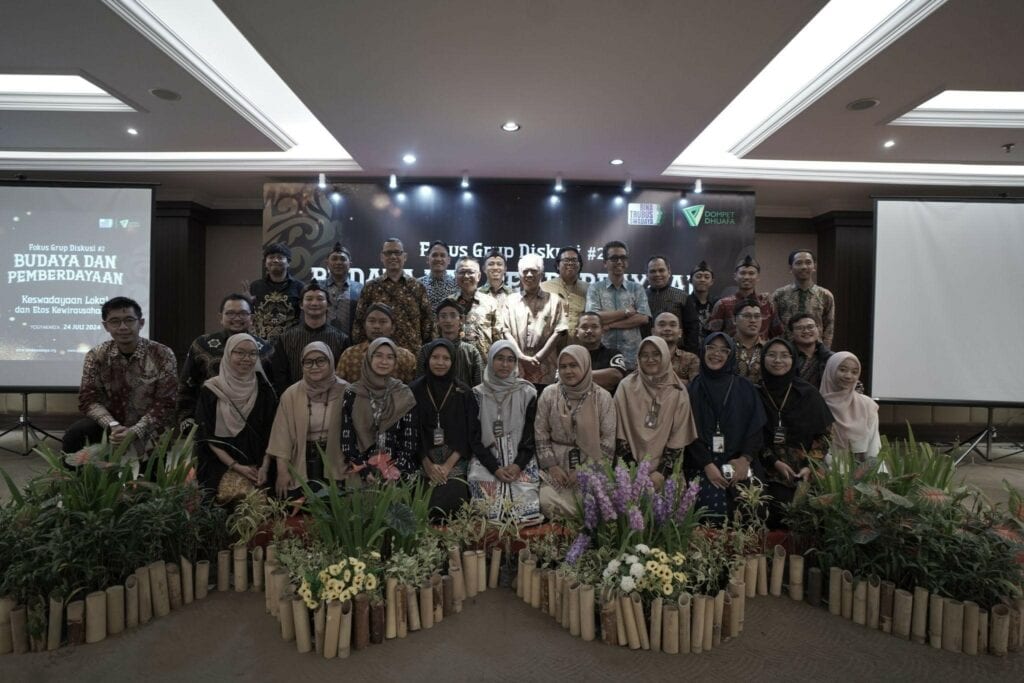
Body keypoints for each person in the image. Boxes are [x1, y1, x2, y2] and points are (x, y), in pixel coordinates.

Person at [63, 296, 177, 457]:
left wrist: (135, 430)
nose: (123, 327)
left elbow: (166, 402)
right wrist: (113, 425)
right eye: (115, 321)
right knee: (75, 435)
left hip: (150, 426)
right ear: (106, 326)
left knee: (148, 479)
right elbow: (88, 399)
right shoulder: (96, 355)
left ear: (141, 323)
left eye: (129, 320)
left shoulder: (162, 354)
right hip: (109, 426)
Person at [685, 333, 766, 522]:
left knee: (752, 509)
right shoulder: (693, 389)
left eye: (724, 350)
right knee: (708, 512)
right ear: (703, 351)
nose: (716, 354)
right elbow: (687, 431)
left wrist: (745, 459)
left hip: (739, 459)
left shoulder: (745, 387)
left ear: (731, 355)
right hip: (703, 462)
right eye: (711, 348)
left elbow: (756, 429)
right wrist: (707, 465)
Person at [756, 338, 834, 528]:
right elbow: (752, 436)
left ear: (793, 360)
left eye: (784, 355)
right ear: (763, 359)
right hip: (765, 464)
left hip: (805, 467)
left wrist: (809, 466)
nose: (778, 360)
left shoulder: (807, 393)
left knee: (814, 510)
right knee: (775, 505)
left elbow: (823, 437)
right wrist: (774, 462)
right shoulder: (754, 392)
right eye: (772, 355)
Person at [410, 339, 487, 520]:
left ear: (453, 361)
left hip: (454, 460)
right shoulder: (414, 390)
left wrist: (447, 466)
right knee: (419, 501)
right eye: (435, 357)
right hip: (422, 458)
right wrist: (427, 465)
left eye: (446, 358)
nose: (440, 362)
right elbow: (411, 431)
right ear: (427, 359)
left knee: (454, 499)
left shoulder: (464, 392)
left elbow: (470, 433)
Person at [536, 345, 616, 518]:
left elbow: (608, 439)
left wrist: (585, 470)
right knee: (546, 502)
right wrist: (552, 466)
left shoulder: (602, 397)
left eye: (574, 365)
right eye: (563, 366)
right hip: (557, 467)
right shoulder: (549, 394)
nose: (568, 371)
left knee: (595, 502)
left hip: (592, 464)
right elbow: (540, 432)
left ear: (585, 366)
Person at [468, 341, 542, 524]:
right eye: (500, 359)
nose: (505, 364)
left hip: (521, 459)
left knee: (525, 510)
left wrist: (518, 465)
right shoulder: (477, 394)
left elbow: (531, 435)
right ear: (491, 360)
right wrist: (495, 468)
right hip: (486, 459)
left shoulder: (528, 392)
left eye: (510, 360)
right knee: (486, 507)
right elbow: (474, 438)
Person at [194, 333, 278, 494]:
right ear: (228, 354)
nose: (247, 358)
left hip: (260, 463)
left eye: (253, 353)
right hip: (220, 462)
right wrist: (236, 466)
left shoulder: (265, 389)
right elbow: (207, 436)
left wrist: (265, 467)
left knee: (265, 507)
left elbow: (273, 433)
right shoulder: (211, 389)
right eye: (239, 352)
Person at [176, 293, 273, 426]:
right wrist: (186, 417)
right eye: (230, 313)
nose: (237, 318)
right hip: (209, 419)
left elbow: (272, 388)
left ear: (252, 318)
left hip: (254, 422)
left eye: (243, 313)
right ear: (220, 317)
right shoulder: (202, 345)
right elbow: (187, 384)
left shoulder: (265, 348)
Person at [267, 342, 348, 497]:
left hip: (338, 461)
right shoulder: (291, 394)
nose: (314, 366)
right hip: (302, 460)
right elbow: (281, 438)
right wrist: (282, 472)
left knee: (335, 509)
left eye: (320, 360)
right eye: (308, 362)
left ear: (331, 362)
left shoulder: (347, 391)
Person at [614, 336, 698, 485]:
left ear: (665, 356)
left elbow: (678, 437)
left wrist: (661, 472)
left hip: (666, 475)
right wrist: (633, 471)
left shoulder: (677, 391)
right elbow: (619, 434)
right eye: (644, 355)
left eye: (656, 354)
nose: (650, 359)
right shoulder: (626, 387)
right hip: (629, 472)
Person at [341, 338, 420, 479]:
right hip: (361, 468)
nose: (384, 362)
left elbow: (410, 440)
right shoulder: (352, 393)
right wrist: (363, 470)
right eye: (378, 356)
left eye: (390, 357)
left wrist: (396, 469)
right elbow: (347, 438)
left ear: (395, 362)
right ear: (369, 358)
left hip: (398, 470)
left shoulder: (403, 393)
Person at [352, 237, 433, 353]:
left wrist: (425, 354)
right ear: (382, 257)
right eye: (388, 253)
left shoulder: (417, 287)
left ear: (404, 257)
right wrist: (363, 352)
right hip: (378, 357)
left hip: (412, 358)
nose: (393, 257)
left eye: (397, 253)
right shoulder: (371, 287)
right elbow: (359, 324)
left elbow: (428, 324)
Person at [270, 282, 350, 396]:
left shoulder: (341, 339)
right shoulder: (285, 338)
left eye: (320, 299)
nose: (314, 303)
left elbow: (343, 375)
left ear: (328, 304)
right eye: (309, 299)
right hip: (295, 399)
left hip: (331, 400)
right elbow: (280, 376)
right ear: (301, 305)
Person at [503, 253, 568, 388]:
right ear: (519, 274)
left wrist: (537, 359)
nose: (529, 275)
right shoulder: (510, 301)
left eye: (534, 271)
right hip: (516, 371)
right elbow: (505, 331)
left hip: (546, 372)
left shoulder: (555, 300)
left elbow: (559, 331)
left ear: (542, 274)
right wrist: (521, 357)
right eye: (525, 271)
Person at [585, 240, 651, 370]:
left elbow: (643, 318)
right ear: (605, 263)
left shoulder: (637, 288)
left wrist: (610, 324)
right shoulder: (595, 288)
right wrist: (625, 312)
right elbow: (594, 318)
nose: (619, 262)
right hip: (602, 357)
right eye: (614, 258)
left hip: (632, 358)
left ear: (627, 261)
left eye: (623, 258)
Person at [820, 352, 881, 461]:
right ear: (830, 370)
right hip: (823, 473)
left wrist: (862, 474)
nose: (848, 376)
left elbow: (873, 451)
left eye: (854, 372)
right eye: (842, 370)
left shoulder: (867, 405)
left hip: (861, 473)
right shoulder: (816, 405)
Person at [336, 303, 417, 383]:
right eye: (371, 321)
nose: (376, 326)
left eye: (383, 321)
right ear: (364, 325)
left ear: (393, 328)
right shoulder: (350, 354)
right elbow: (339, 388)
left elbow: (412, 390)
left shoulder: (406, 357)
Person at [708, 255, 783, 340]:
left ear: (758, 277)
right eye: (742, 273)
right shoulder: (723, 304)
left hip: (761, 351)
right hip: (732, 351)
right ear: (735, 276)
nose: (746, 277)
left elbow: (777, 335)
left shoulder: (767, 303)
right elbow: (713, 337)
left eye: (751, 273)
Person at [772, 249, 836, 349]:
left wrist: (825, 352)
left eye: (808, 262)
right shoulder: (779, 294)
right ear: (790, 268)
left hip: (815, 351)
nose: (804, 267)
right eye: (798, 263)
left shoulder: (825, 295)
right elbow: (773, 325)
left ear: (814, 266)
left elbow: (829, 327)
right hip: (787, 350)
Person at [416, 299, 483, 387]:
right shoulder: (426, 350)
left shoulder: (471, 352)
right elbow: (419, 385)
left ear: (461, 319)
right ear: (437, 320)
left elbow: (478, 388)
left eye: (453, 315)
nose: (448, 320)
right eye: (443, 316)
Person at [450, 256, 505, 360]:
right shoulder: (448, 303)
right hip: (453, 365)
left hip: (484, 366)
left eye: (470, 272)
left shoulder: (491, 303)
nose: (466, 276)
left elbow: (498, 339)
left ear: (479, 276)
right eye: (462, 272)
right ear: (455, 275)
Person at [249, 242, 304, 341]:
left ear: (288, 263)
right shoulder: (255, 286)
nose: (275, 260)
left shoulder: (299, 287)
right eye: (271, 257)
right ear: (265, 263)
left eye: (280, 257)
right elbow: (251, 315)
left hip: (291, 342)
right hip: (261, 342)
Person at [644, 255, 699, 353]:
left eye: (661, 270)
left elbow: (692, 329)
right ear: (647, 275)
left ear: (669, 272)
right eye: (653, 271)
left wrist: (689, 353)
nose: (657, 274)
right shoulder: (640, 297)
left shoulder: (682, 296)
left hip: (678, 354)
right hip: (648, 353)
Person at [540, 246, 589, 339]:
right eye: (566, 260)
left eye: (574, 260)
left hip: (579, 343)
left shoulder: (589, 289)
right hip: (551, 344)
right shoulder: (544, 287)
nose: (570, 263)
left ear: (580, 265)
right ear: (558, 265)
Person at [574, 312, 627, 393]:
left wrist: (575, 378)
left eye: (594, 327)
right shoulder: (569, 356)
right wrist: (601, 381)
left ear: (602, 330)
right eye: (584, 327)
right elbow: (561, 381)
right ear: (577, 332)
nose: (589, 331)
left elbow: (615, 376)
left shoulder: (613, 353)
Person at [319, 242, 363, 336]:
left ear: (349, 264)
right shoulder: (318, 288)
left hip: (350, 343)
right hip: (321, 341)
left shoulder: (360, 289)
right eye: (334, 259)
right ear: (327, 263)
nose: (338, 262)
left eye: (342, 259)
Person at [653, 312, 700, 384]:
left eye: (672, 325)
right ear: (653, 332)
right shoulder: (644, 358)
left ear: (680, 332)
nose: (667, 328)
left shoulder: (691, 359)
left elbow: (695, 387)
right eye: (662, 325)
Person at [789, 313, 834, 388]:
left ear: (818, 329)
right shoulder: (786, 357)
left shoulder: (830, 357)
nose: (806, 331)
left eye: (810, 327)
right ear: (792, 333)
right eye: (800, 328)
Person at [732, 298, 766, 385]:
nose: (753, 321)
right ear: (734, 320)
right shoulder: (726, 347)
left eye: (757, 316)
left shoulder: (769, 348)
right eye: (747, 316)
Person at [418, 240, 460, 309]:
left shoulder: (457, 285)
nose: (438, 259)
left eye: (442, 255)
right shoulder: (418, 285)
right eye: (434, 255)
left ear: (449, 260)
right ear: (427, 259)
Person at [690, 261, 718, 339]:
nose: (702, 280)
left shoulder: (718, 303)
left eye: (706, 277)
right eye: (698, 276)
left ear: (712, 281)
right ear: (690, 280)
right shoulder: (685, 302)